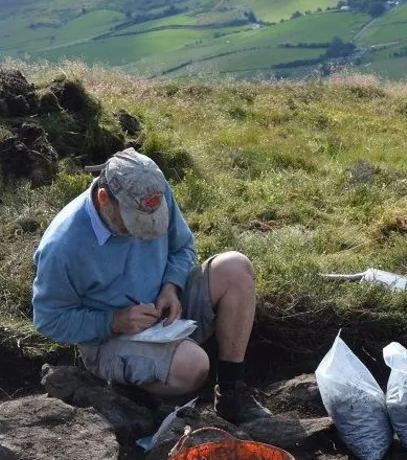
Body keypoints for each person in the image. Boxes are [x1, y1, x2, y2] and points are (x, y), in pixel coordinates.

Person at [31, 148, 271, 425]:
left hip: (164, 312)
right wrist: (114, 321)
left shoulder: (153, 194)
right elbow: (49, 320)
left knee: (235, 267)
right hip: (108, 339)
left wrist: (172, 287)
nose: (142, 232)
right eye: (132, 224)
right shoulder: (63, 246)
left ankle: (231, 391)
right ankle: (135, 392)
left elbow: (182, 248)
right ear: (104, 199)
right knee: (193, 366)